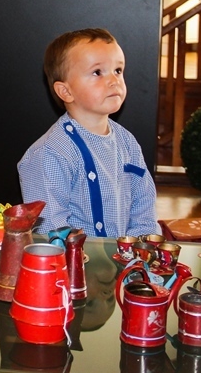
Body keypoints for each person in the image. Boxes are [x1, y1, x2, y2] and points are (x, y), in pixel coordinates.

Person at [17, 28, 159, 238]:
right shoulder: (50, 153)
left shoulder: (128, 142)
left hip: (126, 255)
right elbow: (51, 228)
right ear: (66, 91)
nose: (114, 80)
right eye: (97, 72)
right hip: (72, 257)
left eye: (118, 70)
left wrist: (137, 250)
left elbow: (144, 209)